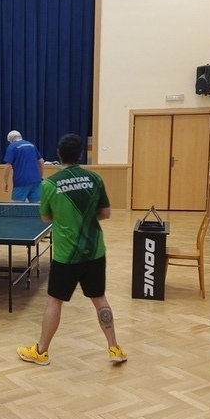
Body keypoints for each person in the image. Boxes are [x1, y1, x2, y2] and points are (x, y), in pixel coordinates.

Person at [17, 133, 127, 365]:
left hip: (66, 255)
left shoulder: (49, 185)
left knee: (55, 301)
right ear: (81, 154)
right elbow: (106, 213)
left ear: (58, 154)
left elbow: (46, 218)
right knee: (99, 299)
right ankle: (114, 348)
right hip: (94, 252)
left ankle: (41, 351)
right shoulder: (95, 179)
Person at [3, 130, 44, 203]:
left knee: (15, 207)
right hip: (36, 181)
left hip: (21, 181)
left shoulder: (12, 147)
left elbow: (7, 166)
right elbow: (41, 161)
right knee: (37, 206)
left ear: (11, 139)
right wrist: (40, 176)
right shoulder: (32, 145)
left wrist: (5, 182)